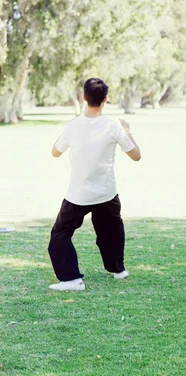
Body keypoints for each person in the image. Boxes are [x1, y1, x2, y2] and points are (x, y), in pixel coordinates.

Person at [47, 78, 142, 291]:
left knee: (60, 235)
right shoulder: (113, 127)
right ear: (105, 100)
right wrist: (128, 133)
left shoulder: (74, 125)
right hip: (106, 193)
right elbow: (136, 156)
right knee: (112, 230)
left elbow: (55, 152)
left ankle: (71, 280)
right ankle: (118, 270)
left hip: (79, 194)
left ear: (84, 97)